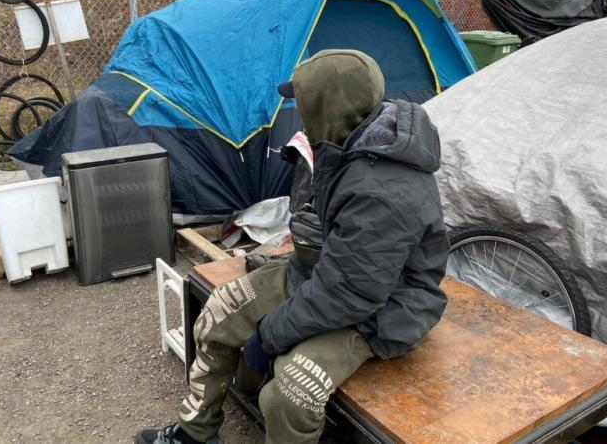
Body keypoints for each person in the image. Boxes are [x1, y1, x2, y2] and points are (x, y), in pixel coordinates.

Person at [135, 49, 449, 444]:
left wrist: (269, 335)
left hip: (384, 308)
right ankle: (195, 435)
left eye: (303, 103)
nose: (298, 112)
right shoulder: (346, 143)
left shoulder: (382, 189)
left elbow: (351, 293)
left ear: (327, 108)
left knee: (289, 393)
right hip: (323, 274)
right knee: (218, 312)